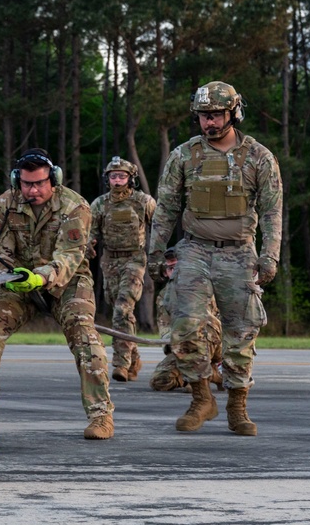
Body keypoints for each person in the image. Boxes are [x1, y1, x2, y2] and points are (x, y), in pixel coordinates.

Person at [147, 81, 282, 435]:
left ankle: (237, 406)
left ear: (233, 113)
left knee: (241, 332)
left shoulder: (258, 157)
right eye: (204, 116)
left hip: (239, 253)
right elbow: (166, 209)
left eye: (217, 115)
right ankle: (201, 397)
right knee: (186, 327)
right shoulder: (183, 156)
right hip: (194, 249)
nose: (210, 122)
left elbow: (272, 212)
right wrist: (155, 253)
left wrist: (270, 256)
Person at [0, 149, 115, 440]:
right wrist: (9, 277)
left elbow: (70, 256)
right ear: (17, 181)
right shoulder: (5, 205)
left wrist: (41, 277)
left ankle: (101, 415)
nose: (32, 190)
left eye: (39, 183)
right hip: (18, 284)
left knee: (85, 336)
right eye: (26, 184)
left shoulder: (75, 207)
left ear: (54, 180)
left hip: (67, 282)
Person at [89, 156, 156, 382]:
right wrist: (87, 247)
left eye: (122, 176)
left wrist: (161, 253)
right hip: (110, 261)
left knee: (122, 309)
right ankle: (134, 356)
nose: (117, 180)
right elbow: (91, 231)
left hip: (134, 260)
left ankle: (121, 364)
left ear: (131, 179)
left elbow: (161, 226)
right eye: (113, 176)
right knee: (117, 310)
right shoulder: (100, 204)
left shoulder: (143, 202)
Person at [149, 248, 223, 392]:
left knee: (201, 329)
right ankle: (210, 374)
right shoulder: (164, 297)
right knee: (160, 381)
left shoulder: (204, 286)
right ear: (165, 272)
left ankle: (200, 374)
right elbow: (165, 327)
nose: (175, 271)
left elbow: (220, 319)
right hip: (183, 345)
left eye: (178, 266)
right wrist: (175, 345)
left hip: (212, 342)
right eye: (171, 268)